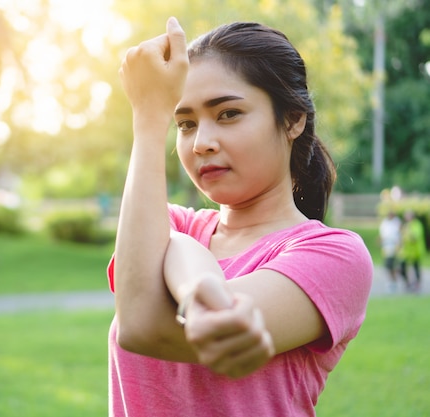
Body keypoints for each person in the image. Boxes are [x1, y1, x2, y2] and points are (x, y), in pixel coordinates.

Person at [108, 17, 373, 417]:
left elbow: (145, 328)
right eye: (184, 123)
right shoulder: (169, 225)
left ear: (292, 120)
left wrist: (148, 118)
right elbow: (143, 306)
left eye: (229, 114)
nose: (202, 143)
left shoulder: (335, 256)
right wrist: (148, 117)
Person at [398, 209, 426, 292]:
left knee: (416, 267)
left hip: (415, 251)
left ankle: (417, 283)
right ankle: (408, 282)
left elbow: (415, 238)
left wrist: (408, 232)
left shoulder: (417, 225)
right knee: (402, 267)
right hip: (406, 252)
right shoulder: (406, 225)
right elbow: (402, 238)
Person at [379, 210, 401, 292]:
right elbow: (383, 235)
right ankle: (391, 281)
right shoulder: (385, 223)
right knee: (388, 266)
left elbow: (398, 235)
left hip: (394, 248)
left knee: (393, 266)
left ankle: (394, 282)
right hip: (386, 248)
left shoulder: (397, 223)